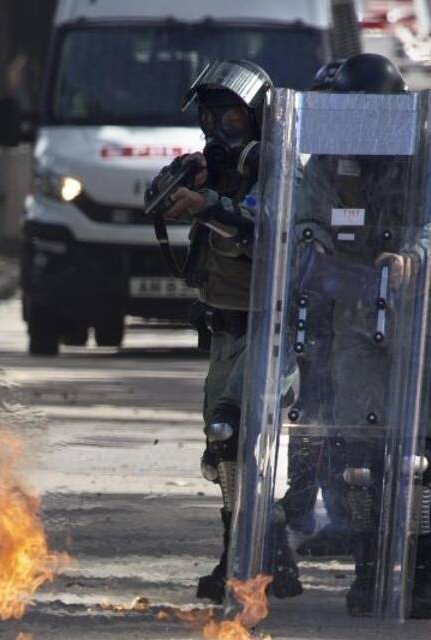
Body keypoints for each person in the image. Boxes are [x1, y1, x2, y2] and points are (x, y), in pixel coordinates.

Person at [145, 58, 301, 603]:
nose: (219, 131)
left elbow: (260, 224)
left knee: (232, 433)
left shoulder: (278, 168)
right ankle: (267, 557)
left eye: (231, 118)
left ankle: (243, 561)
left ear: (257, 118)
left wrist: (210, 204)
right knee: (221, 450)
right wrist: (183, 181)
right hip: (225, 327)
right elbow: (156, 202)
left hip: (271, 326)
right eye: (211, 119)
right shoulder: (220, 169)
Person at [284, 52, 430, 617]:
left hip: (417, 317)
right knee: (359, 450)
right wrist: (313, 243)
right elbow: (306, 212)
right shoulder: (329, 157)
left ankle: (422, 568)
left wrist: (411, 257)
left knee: (420, 452)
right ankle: (370, 564)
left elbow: (428, 221)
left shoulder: (422, 154)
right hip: (352, 314)